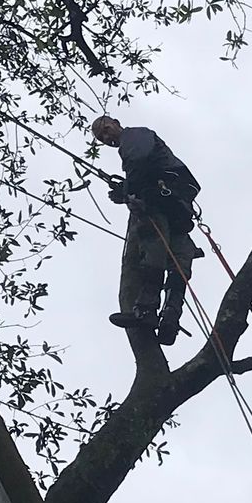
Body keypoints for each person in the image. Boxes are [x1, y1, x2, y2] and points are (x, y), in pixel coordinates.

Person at [91, 115, 200, 345]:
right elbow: (144, 171)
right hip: (176, 205)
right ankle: (170, 318)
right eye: (101, 138)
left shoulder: (133, 136)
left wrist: (128, 190)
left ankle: (146, 309)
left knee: (154, 250)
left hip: (163, 202)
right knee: (179, 260)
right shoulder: (137, 144)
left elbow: (139, 161)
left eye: (106, 130)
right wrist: (127, 190)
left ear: (116, 122)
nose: (106, 138)